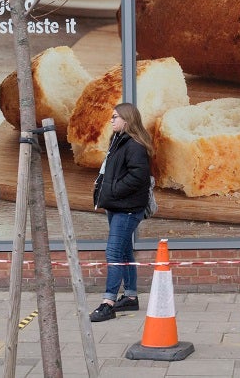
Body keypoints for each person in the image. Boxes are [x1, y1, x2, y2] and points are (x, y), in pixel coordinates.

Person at [89, 102, 153, 323]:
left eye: (115, 117)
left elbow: (139, 177)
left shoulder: (134, 145)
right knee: (124, 253)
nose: (111, 120)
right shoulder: (119, 141)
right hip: (117, 206)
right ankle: (131, 297)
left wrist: (115, 190)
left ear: (127, 120)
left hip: (126, 209)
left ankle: (108, 303)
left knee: (114, 254)